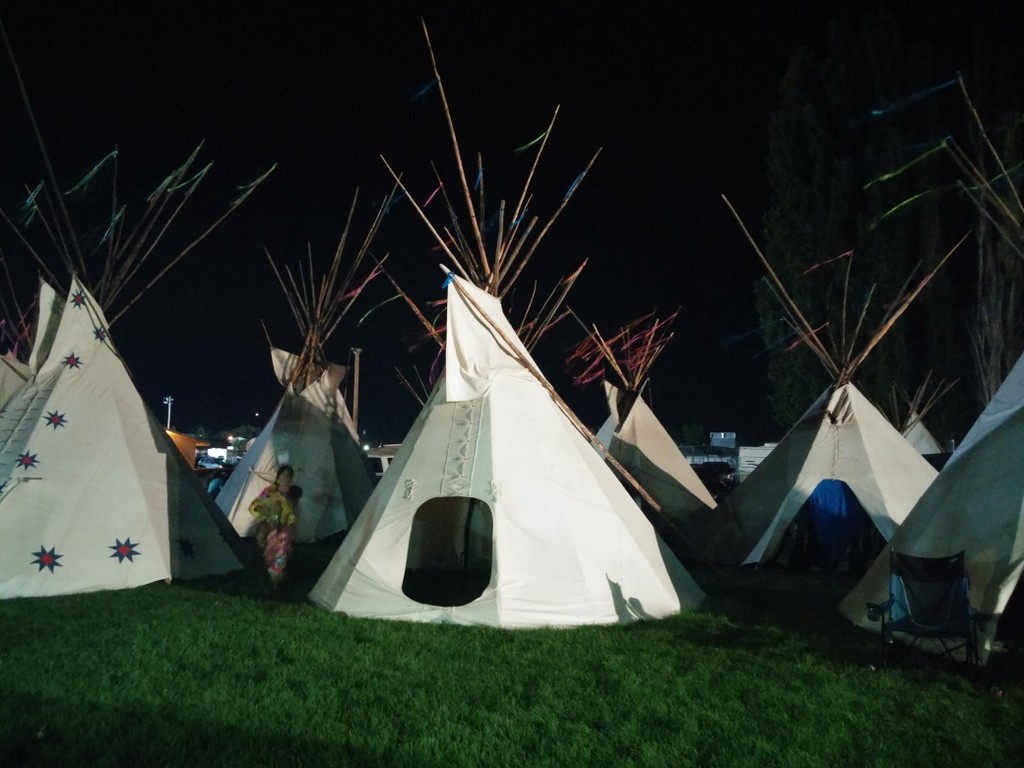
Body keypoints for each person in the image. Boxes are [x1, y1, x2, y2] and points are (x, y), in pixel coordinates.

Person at [248, 465, 302, 588]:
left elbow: (292, 513)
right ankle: (269, 578)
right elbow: (255, 506)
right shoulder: (269, 491)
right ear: (278, 476)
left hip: (283, 531)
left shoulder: (292, 493)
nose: (286, 477)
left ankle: (275, 580)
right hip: (269, 528)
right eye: (284, 475)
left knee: (281, 553)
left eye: (289, 475)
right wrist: (263, 512)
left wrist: (290, 521)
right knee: (268, 554)